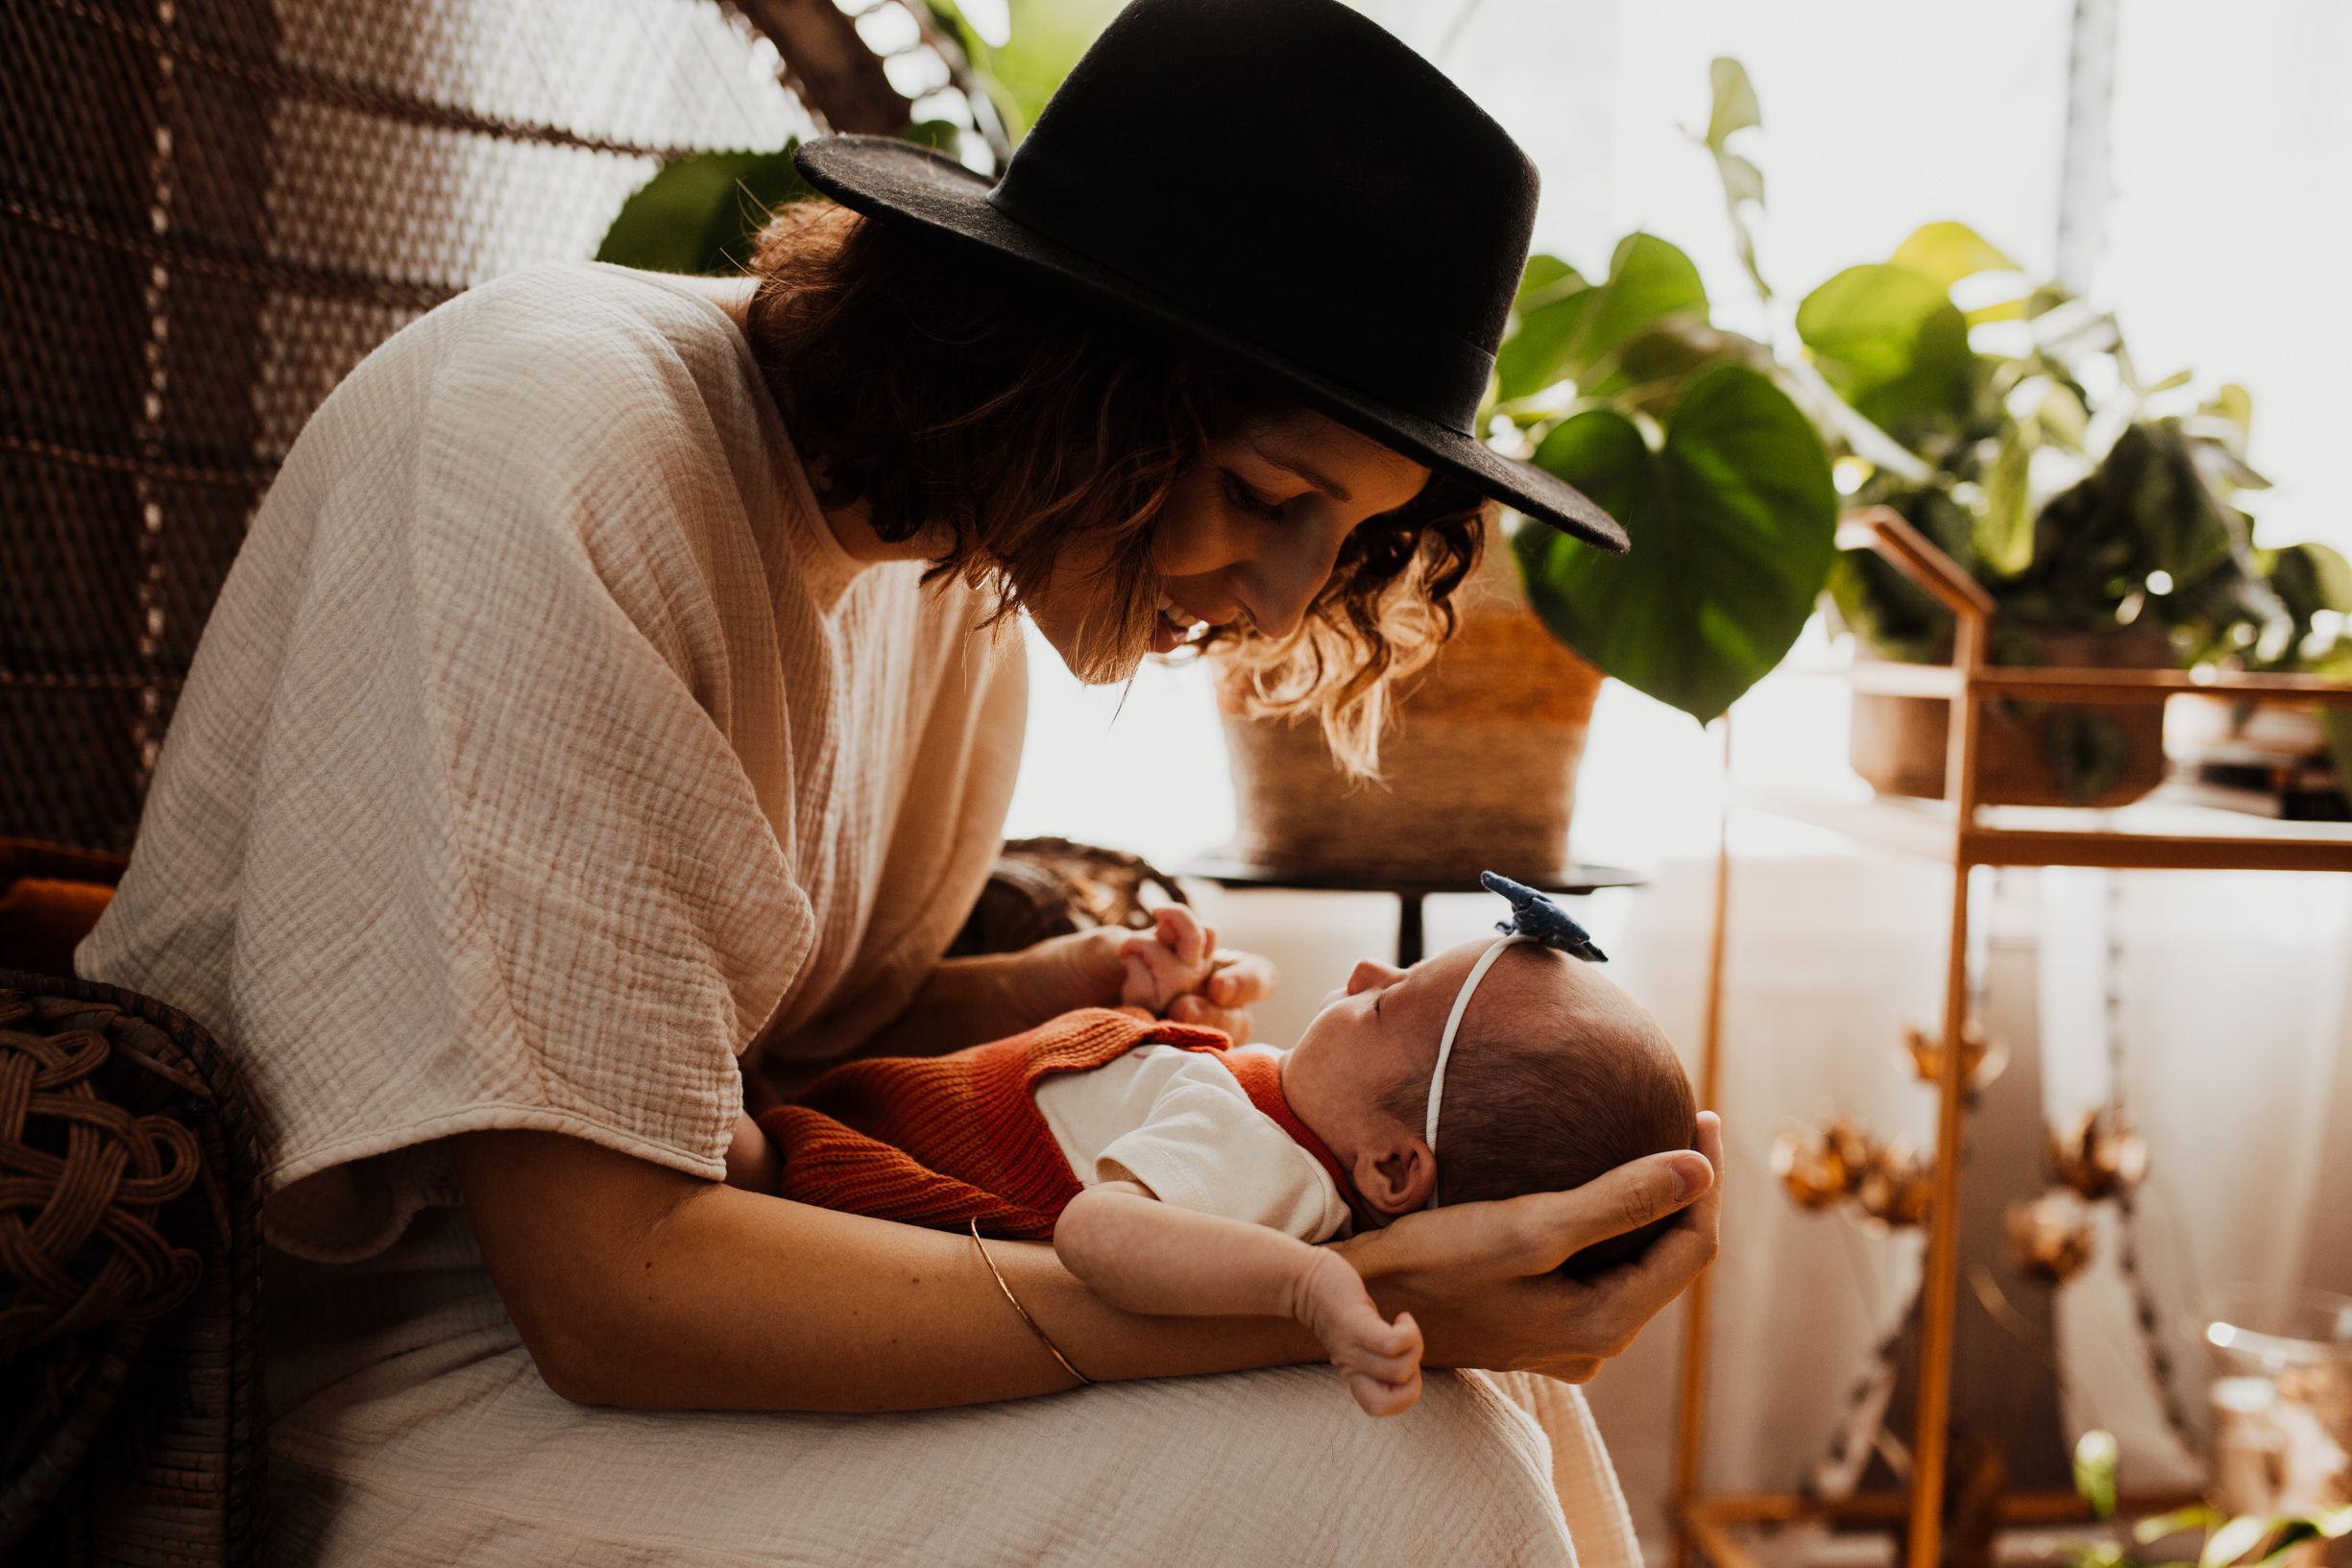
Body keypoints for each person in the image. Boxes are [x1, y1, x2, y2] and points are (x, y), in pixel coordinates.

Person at [79, 0, 1724, 1561]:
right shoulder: (560, 454)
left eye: (1344, 533)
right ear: (1076, 365)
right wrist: (1277, 1298)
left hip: (694, 1279)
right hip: (393, 1380)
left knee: (1489, 1413)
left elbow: (754, 1041)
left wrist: (1037, 992)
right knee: (1399, 1477)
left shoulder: (944, 569)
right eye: (1259, 487)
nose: (1287, 598)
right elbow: (606, 1289)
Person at [752, 888, 1695, 1420]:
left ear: (1393, 1170)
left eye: (1382, 1005)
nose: (1364, 972)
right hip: (879, 1100)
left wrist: (1305, 1287)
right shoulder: (1271, 1127)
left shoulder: (1264, 1168)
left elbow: (1097, 1227)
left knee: (741, 1148)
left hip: (849, 1170)